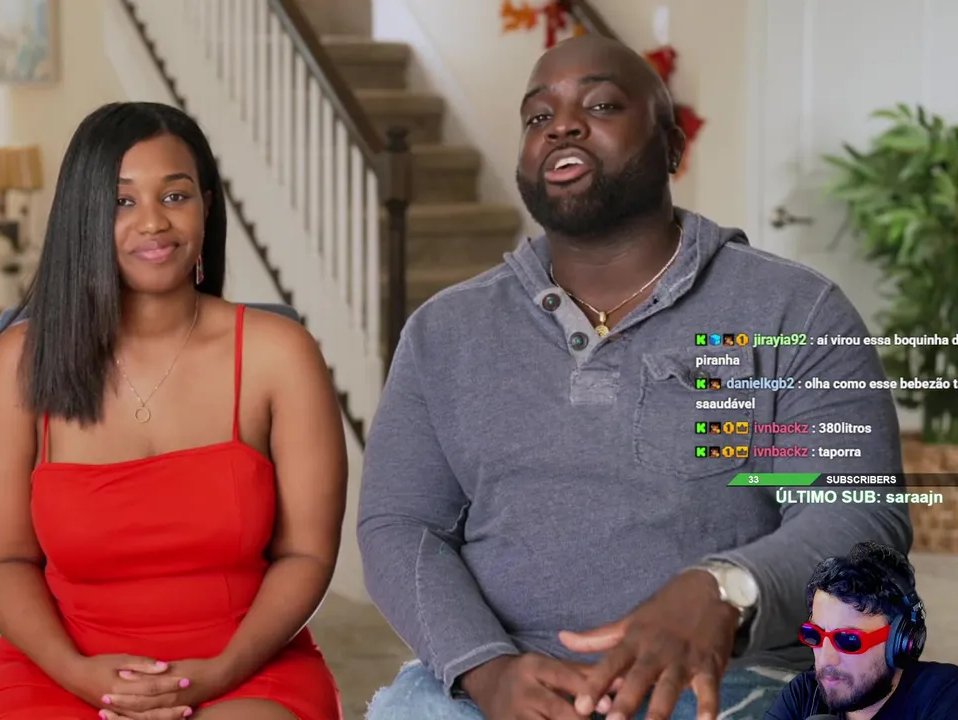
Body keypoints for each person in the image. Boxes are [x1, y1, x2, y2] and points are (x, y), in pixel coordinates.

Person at [357, 34, 913, 720]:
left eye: (602, 105)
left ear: (672, 147)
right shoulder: (445, 331)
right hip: (502, 682)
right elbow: (401, 524)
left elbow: (857, 515)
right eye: (538, 116)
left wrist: (726, 590)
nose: (562, 125)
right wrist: (486, 669)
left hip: (736, 681)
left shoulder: (797, 311)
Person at [0, 102, 347, 720]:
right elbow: (0, 560)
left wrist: (219, 672)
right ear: (84, 216)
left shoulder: (280, 354)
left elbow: (307, 554)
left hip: (245, 666)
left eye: (175, 196)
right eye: (122, 201)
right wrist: (80, 675)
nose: (153, 222)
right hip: (59, 666)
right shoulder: (19, 363)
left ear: (206, 208)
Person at [763, 542, 958, 720]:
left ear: (900, 642)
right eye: (815, 635)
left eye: (849, 640)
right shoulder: (804, 695)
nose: (826, 659)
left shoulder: (947, 696)